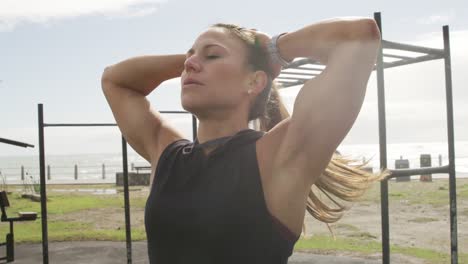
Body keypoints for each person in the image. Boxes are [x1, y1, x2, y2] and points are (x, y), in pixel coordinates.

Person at [101, 17, 389, 264]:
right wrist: (194, 60)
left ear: (254, 82)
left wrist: (272, 50)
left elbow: (359, 36)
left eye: (213, 55)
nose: (190, 64)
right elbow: (114, 80)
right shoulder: (168, 155)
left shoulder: (280, 157)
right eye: (190, 58)